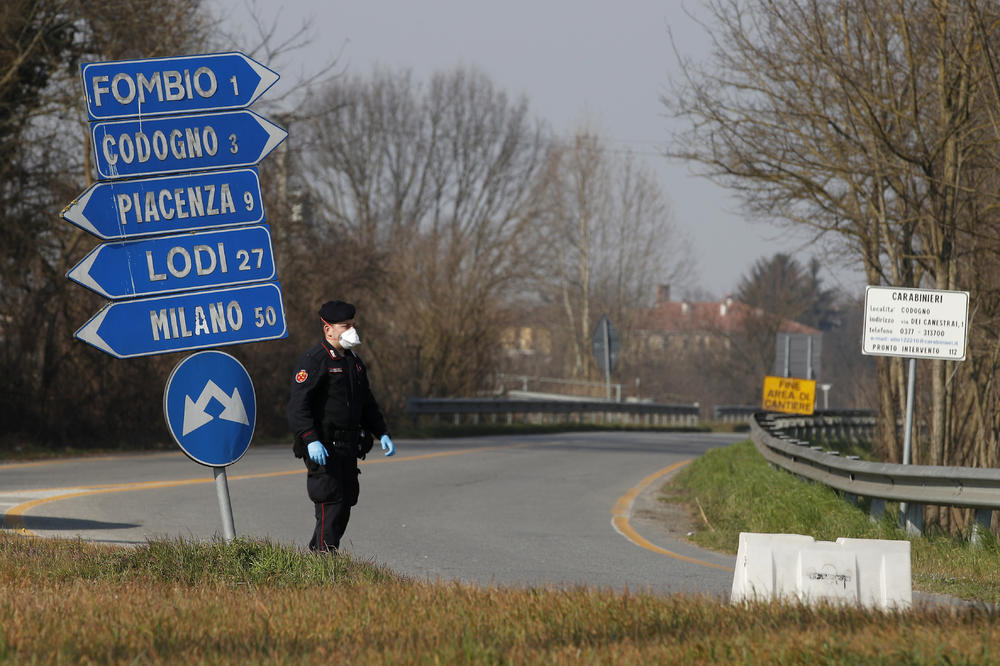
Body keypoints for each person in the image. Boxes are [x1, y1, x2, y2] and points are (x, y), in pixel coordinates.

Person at [286, 299, 396, 552]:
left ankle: (319, 555)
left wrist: (382, 432)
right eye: (346, 326)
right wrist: (310, 438)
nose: (352, 331)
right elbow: (297, 406)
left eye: (353, 325)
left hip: (348, 447)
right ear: (329, 329)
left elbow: (367, 402)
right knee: (330, 502)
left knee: (345, 503)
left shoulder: (354, 362)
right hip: (323, 446)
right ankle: (324, 559)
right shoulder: (314, 361)